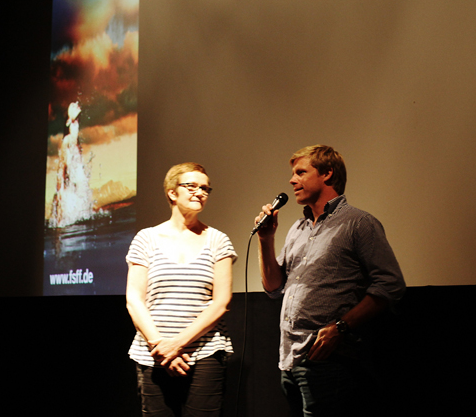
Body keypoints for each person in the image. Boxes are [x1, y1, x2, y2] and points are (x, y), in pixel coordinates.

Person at [255, 145, 405, 417]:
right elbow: (274, 288)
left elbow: (390, 284)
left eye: (301, 172)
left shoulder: (358, 223)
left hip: (328, 360)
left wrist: (340, 328)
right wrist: (266, 239)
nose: (292, 180)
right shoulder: (297, 229)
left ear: (327, 174)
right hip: (289, 358)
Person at [126, 163, 237, 416]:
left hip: (205, 351)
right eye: (192, 186)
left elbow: (222, 302)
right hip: (153, 353)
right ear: (172, 193)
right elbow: (134, 300)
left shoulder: (218, 240)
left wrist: (177, 344)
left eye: (205, 188)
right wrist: (161, 347)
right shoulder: (146, 238)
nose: (200, 192)